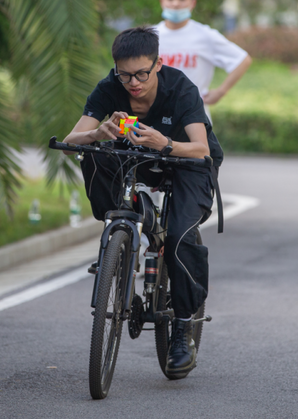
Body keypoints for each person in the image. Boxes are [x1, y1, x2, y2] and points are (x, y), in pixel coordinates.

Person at [62, 25, 222, 378]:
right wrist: (98, 132)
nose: (133, 83)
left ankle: (183, 329)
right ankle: (121, 227)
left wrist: (164, 143)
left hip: (186, 161)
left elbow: (201, 148)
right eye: (124, 75)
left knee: (180, 235)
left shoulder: (181, 89)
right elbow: (74, 136)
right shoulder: (109, 87)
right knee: (91, 153)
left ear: (158, 64)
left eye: (141, 74)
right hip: (139, 157)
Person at [154, 0, 252, 113]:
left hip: (194, 117)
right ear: (162, 1)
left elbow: (243, 60)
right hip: (156, 115)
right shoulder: (149, 36)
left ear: (192, 2)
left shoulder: (205, 35)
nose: (175, 3)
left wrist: (221, 92)